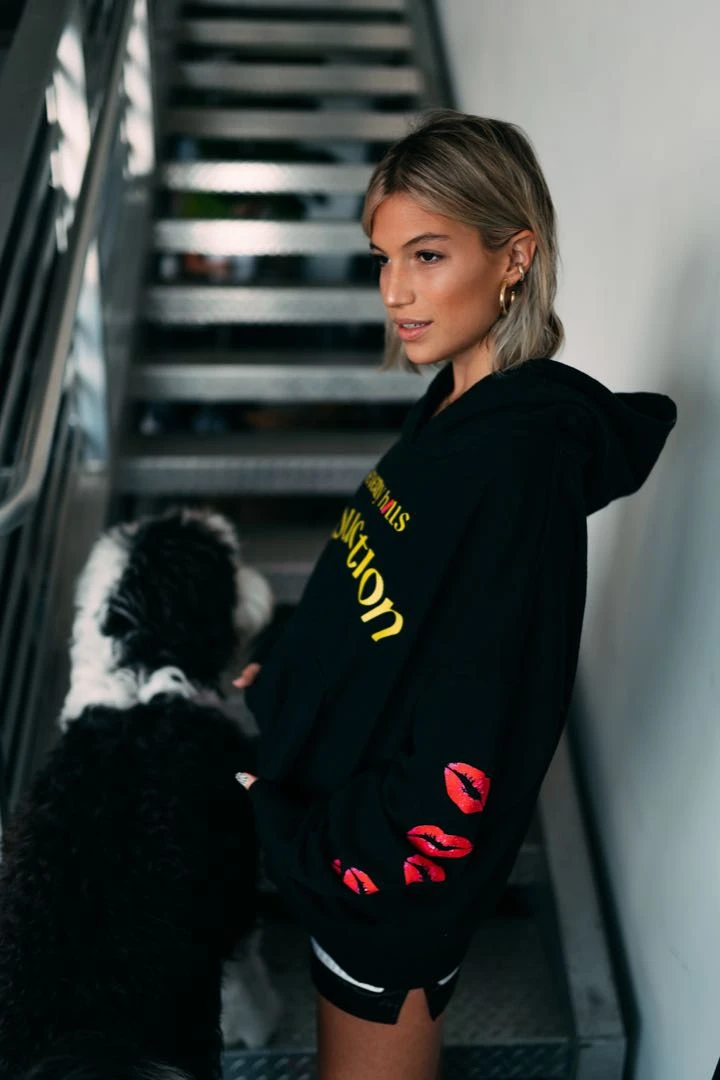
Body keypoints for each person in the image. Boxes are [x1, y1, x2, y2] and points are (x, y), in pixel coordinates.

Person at [233, 110, 677, 1080]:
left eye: (427, 256)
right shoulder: (454, 406)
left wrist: (310, 842)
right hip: (337, 823)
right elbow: (384, 593)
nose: (394, 291)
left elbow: (475, 743)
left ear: (514, 256)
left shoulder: (518, 469)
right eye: (384, 258)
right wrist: (291, 671)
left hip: (380, 884)